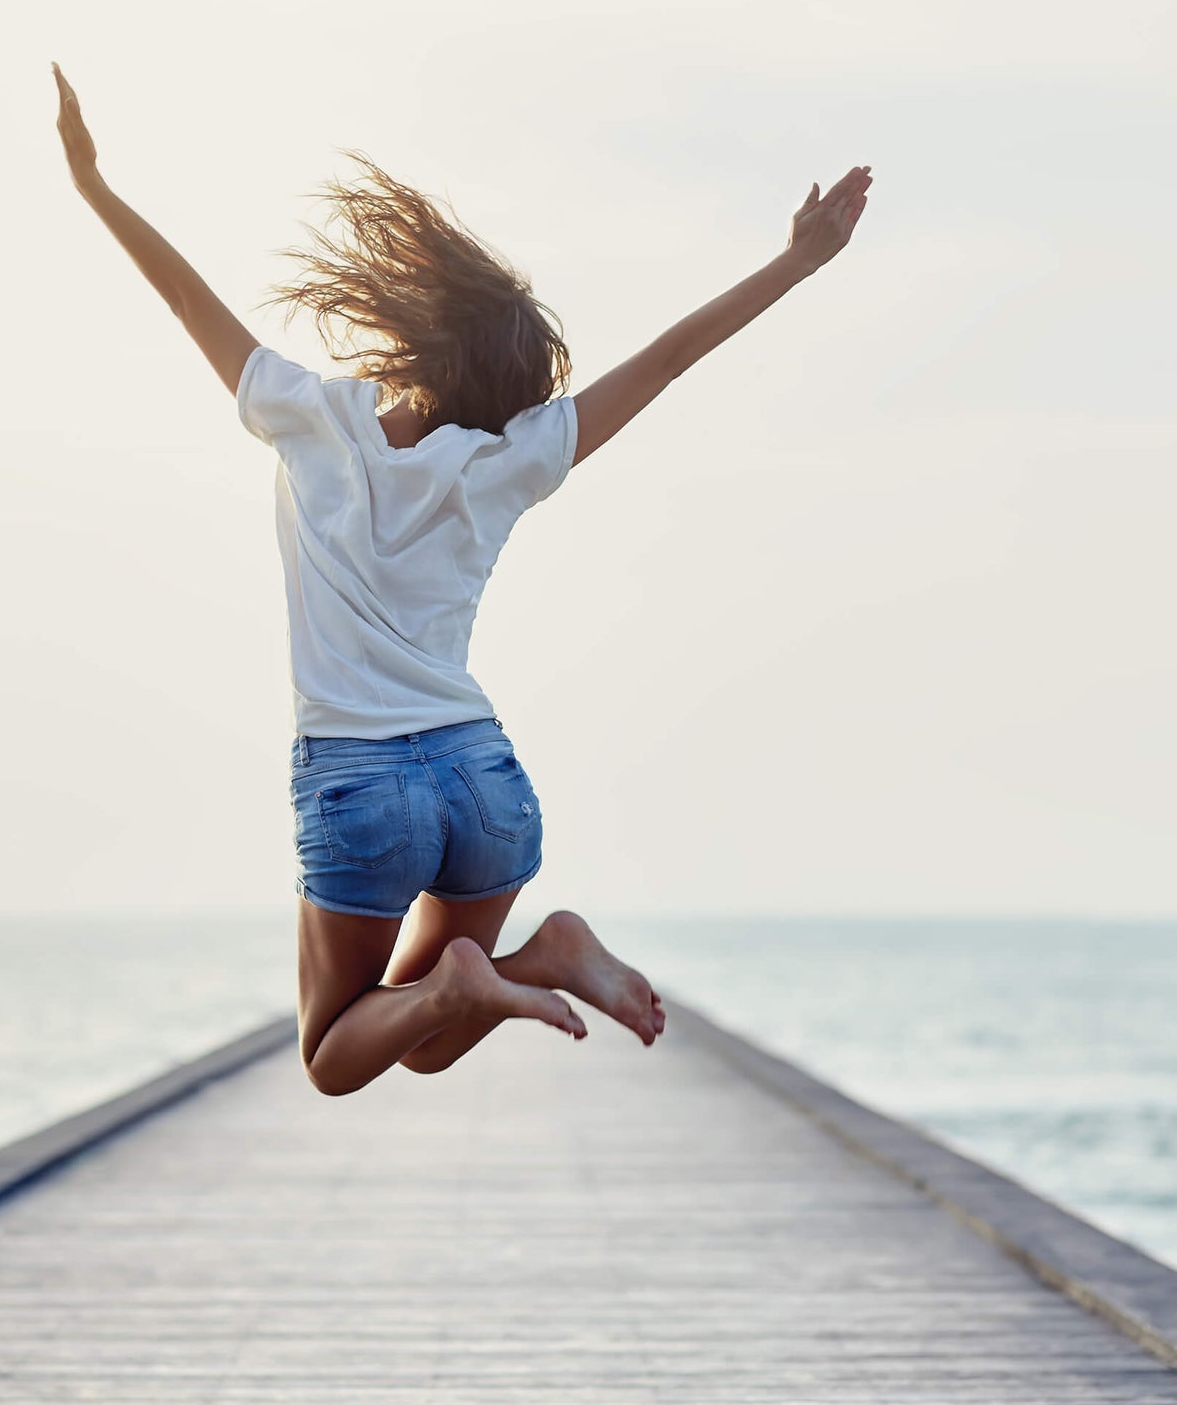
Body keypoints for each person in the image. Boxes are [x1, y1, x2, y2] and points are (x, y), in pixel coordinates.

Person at [51, 62, 872, 1097]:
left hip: (360, 780)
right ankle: (539, 958)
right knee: (426, 1033)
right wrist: (797, 263)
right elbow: (667, 360)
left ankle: (486, 980)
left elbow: (181, 295)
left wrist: (95, 188)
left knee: (336, 1055)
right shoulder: (507, 462)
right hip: (482, 781)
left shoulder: (308, 415)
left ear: (418, 337)